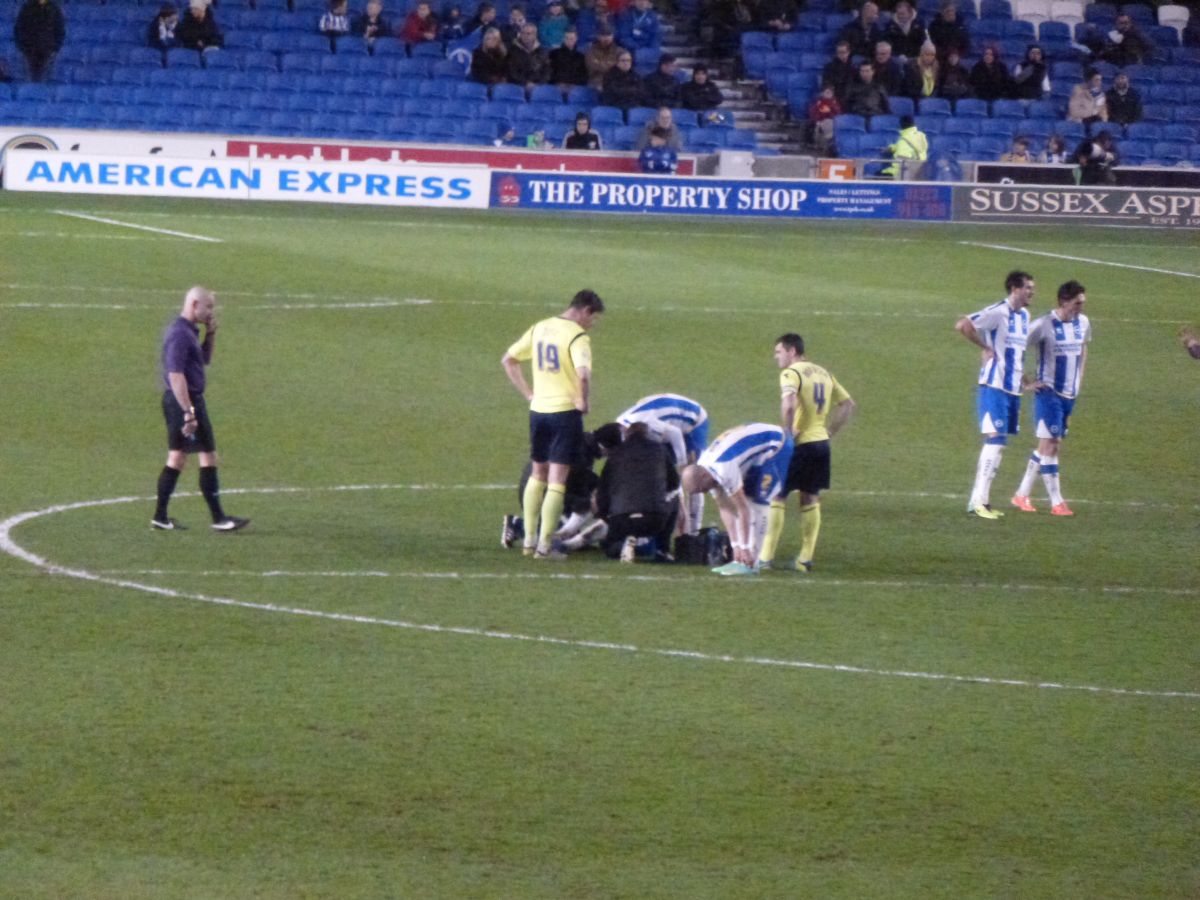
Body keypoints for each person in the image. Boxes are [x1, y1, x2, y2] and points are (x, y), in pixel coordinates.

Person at [501, 289, 605, 559]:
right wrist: (583, 401)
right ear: (585, 310)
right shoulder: (578, 337)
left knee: (538, 474)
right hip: (564, 413)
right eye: (593, 318)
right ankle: (545, 547)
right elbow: (582, 376)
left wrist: (528, 394)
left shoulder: (540, 327)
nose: (591, 324)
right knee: (557, 481)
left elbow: (508, 360)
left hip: (538, 412)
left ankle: (529, 541)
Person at [152, 287, 249, 533]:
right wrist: (188, 411)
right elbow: (175, 375)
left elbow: (204, 359)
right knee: (204, 455)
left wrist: (211, 333)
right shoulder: (180, 334)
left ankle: (161, 517)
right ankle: (218, 518)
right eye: (209, 307)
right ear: (194, 304)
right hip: (184, 401)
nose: (211, 312)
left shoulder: (188, 331)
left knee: (180, 457)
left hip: (185, 400)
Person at [757, 333, 854, 574]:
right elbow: (848, 404)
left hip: (799, 444)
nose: (775, 357)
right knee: (810, 498)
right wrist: (830, 432)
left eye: (778, 352)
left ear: (791, 351)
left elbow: (789, 405)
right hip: (821, 444)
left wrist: (788, 434)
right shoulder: (823, 372)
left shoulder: (791, 373)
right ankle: (805, 559)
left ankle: (765, 556)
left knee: (777, 495)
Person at [954, 271, 1035, 520]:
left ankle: (983, 502)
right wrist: (984, 347)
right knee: (995, 439)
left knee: (1000, 444)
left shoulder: (1024, 316)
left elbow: (1016, 351)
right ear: (1014, 289)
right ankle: (977, 501)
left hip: (1012, 388)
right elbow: (963, 324)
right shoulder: (999, 311)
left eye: (1033, 288)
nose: (1032, 292)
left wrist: (1023, 378)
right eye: (1028, 288)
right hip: (994, 385)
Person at [1011, 280, 1091, 516]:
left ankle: (1021, 495)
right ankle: (1057, 502)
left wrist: (1079, 380)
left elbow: (1083, 348)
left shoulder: (1084, 323)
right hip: (1048, 393)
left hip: (1069, 394)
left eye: (1083, 303)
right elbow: (1015, 349)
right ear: (1064, 301)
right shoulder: (1043, 324)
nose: (1081, 308)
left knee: (1047, 444)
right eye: (1077, 303)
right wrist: (1026, 382)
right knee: (1052, 445)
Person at [679, 423, 794, 576]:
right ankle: (740, 560)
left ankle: (752, 562)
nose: (705, 492)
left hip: (776, 447)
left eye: (702, 489)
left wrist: (744, 548)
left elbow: (743, 509)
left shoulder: (722, 468)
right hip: (754, 451)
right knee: (743, 499)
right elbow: (725, 508)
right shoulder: (706, 471)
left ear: (703, 477)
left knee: (758, 501)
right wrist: (736, 547)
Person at [502, 423, 623, 549]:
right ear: (604, 447)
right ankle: (517, 525)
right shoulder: (582, 453)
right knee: (556, 539)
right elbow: (576, 485)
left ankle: (535, 527)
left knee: (584, 506)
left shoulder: (582, 443)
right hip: (540, 491)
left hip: (535, 485)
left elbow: (581, 479)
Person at [617, 392, 709, 533]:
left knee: (693, 478)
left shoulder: (645, 424)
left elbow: (676, 434)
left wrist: (682, 464)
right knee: (666, 473)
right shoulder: (623, 428)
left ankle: (694, 531)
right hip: (667, 424)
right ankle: (678, 517)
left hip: (693, 423)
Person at [591, 422, 681, 562]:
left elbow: (603, 490)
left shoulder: (615, 454)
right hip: (654, 519)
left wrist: (604, 516)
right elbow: (674, 483)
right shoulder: (660, 450)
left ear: (626, 435)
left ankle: (623, 545)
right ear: (648, 434)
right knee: (675, 498)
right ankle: (662, 549)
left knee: (610, 548)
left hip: (621, 519)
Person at [13, 0, 64, 82]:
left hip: (48, 48)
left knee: (45, 77)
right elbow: (19, 28)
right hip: (29, 49)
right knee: (29, 77)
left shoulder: (54, 9)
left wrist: (55, 48)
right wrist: (22, 46)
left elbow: (59, 29)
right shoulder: (27, 8)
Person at [507, 21, 551, 90]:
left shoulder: (542, 51)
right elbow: (511, 71)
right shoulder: (513, 50)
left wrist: (538, 84)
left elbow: (547, 71)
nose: (525, 36)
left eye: (528, 34)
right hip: (517, 86)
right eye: (522, 33)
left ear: (535, 35)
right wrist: (526, 83)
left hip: (537, 87)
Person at [883, 114, 927, 178]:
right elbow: (911, 145)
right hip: (920, 172)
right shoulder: (920, 136)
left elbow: (903, 162)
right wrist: (892, 148)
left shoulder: (903, 141)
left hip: (904, 175)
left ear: (901, 125)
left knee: (877, 175)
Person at [1068, 69, 1107, 134]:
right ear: (1089, 81)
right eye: (1096, 80)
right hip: (1079, 122)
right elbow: (1074, 112)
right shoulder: (1078, 91)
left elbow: (1104, 113)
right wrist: (1092, 113)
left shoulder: (1101, 94)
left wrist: (1102, 121)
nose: (1100, 82)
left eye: (1100, 80)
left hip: (1095, 124)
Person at [549, 27, 588, 92]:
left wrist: (574, 84)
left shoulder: (580, 57)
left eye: (571, 39)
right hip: (557, 87)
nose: (569, 41)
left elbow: (584, 75)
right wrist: (558, 82)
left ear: (576, 39)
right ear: (563, 39)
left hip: (575, 88)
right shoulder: (554, 54)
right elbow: (550, 72)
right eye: (567, 38)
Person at [808, 83, 842, 154]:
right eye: (826, 92)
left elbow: (838, 114)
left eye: (830, 93)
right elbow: (813, 113)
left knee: (830, 124)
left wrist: (830, 112)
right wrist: (817, 120)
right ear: (823, 93)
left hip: (831, 122)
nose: (828, 94)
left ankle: (830, 143)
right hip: (820, 122)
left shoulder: (834, 103)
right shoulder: (818, 103)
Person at [585, 23, 621, 90]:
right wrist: (611, 63)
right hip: (596, 81)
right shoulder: (590, 50)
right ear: (598, 36)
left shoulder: (619, 51)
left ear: (613, 36)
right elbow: (592, 65)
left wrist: (599, 63)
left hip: (614, 81)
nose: (606, 38)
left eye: (609, 35)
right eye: (603, 35)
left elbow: (619, 67)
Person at [822, 41, 857, 106]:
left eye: (843, 52)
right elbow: (826, 81)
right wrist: (828, 89)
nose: (841, 55)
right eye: (839, 53)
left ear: (848, 52)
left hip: (851, 96)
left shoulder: (854, 67)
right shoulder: (830, 67)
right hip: (835, 95)